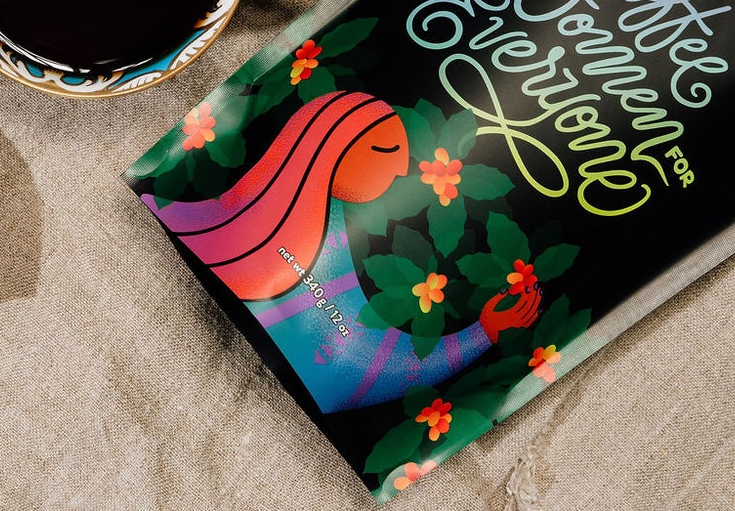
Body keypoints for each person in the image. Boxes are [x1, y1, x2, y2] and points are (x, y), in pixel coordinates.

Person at [145, 90, 540, 414]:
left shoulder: (325, 230)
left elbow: (370, 363)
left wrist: (483, 332)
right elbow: (366, 366)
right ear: (329, 144)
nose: (403, 170)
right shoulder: (200, 222)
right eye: (387, 150)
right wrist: (482, 334)